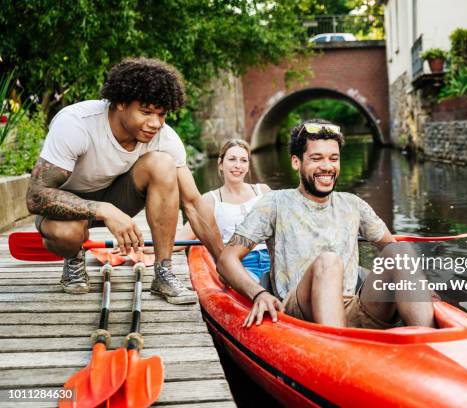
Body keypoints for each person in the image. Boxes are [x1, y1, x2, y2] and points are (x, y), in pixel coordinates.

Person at [26, 57, 223, 304]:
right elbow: (36, 196)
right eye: (146, 112)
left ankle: (163, 272)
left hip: (118, 196)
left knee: (163, 164)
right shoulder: (76, 123)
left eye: (161, 114)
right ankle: (74, 258)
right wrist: (103, 210)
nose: (155, 123)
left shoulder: (164, 137)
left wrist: (223, 264)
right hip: (66, 206)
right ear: (120, 103)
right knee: (68, 234)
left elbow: (193, 203)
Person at [217, 119, 434, 329]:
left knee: (400, 251)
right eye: (317, 158)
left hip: (353, 307)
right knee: (329, 262)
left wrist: (418, 283)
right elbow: (227, 260)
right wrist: (259, 293)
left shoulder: (353, 204)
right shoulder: (275, 203)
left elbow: (390, 247)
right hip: (300, 310)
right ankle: (337, 350)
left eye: (333, 158)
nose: (327, 167)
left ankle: (429, 343)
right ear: (296, 162)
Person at [170, 139, 271, 282]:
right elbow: (181, 240)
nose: (238, 165)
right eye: (232, 159)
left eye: (243, 160)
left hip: (272, 259)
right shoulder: (210, 200)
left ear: (248, 166)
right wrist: (141, 250)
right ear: (221, 163)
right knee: (260, 289)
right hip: (240, 263)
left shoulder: (263, 191)